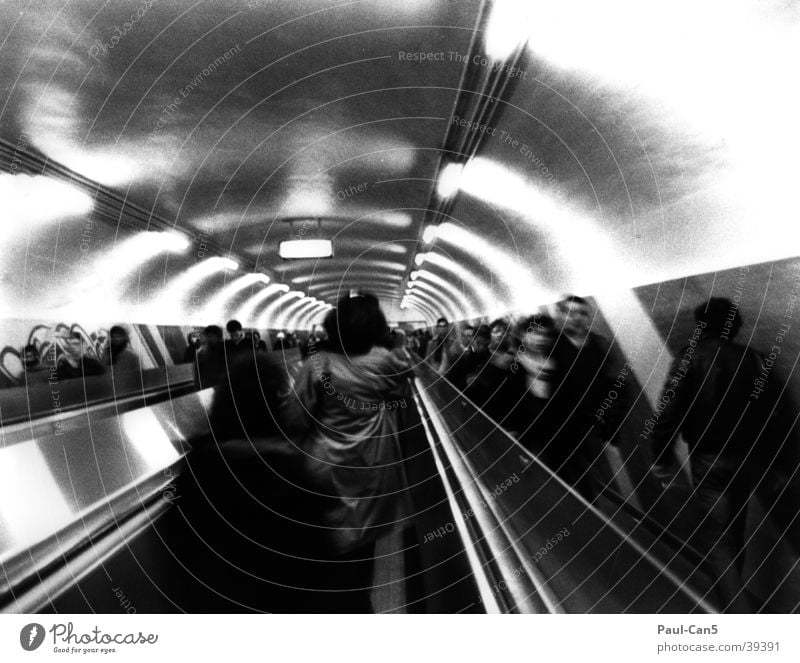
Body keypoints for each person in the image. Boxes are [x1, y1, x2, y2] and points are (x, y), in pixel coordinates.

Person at [646, 298, 796, 612]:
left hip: (710, 462)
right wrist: (780, 465)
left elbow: (667, 413)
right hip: (752, 461)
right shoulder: (755, 358)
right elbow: (779, 414)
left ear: (701, 325)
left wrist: (660, 458)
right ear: (734, 326)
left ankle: (735, 616)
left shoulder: (689, 359)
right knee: (737, 528)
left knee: (721, 541)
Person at [291, 293, 413, 611]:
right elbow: (402, 385)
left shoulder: (318, 364)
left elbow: (294, 416)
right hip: (372, 463)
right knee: (363, 544)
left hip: (325, 466)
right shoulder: (385, 361)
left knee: (326, 545)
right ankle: (360, 602)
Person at [551, 294, 616, 501]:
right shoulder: (552, 346)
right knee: (569, 476)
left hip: (592, 424)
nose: (577, 318)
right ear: (560, 315)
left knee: (592, 474)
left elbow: (612, 383)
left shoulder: (598, 344)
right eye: (570, 312)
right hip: (561, 426)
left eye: (582, 313)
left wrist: (611, 419)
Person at [465, 318, 526, 431]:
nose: (501, 334)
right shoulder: (482, 358)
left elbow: (518, 393)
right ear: (490, 337)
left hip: (509, 422)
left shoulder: (516, 361)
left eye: (505, 331)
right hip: (487, 419)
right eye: (496, 331)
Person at [195, 325, 225, 389]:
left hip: (221, 387)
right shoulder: (202, 353)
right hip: (209, 387)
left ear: (218, 337)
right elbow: (198, 376)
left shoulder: (226, 350)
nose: (208, 339)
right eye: (207, 336)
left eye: (210, 336)